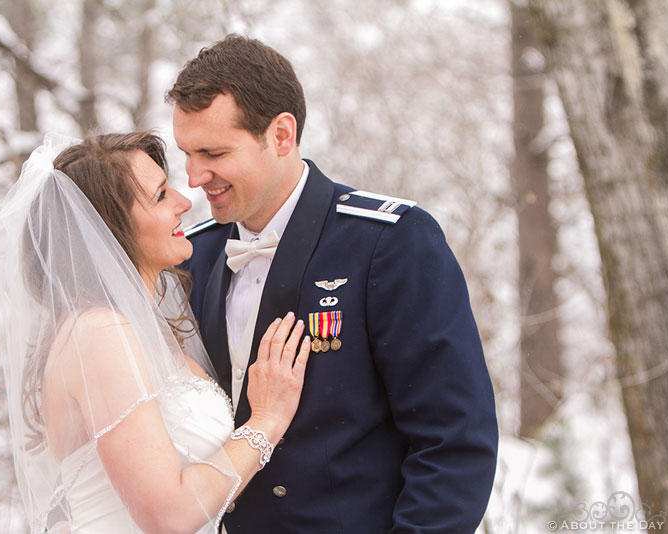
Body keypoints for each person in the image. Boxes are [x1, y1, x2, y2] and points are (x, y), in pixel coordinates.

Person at [168, 35, 499, 533]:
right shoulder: (195, 254)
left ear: (282, 135)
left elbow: (453, 441)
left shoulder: (389, 242)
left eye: (213, 152)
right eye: (187, 154)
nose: (194, 178)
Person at [0, 132, 310, 534]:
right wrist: (265, 422)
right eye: (160, 196)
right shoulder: (98, 332)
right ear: (110, 227)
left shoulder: (142, 327)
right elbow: (168, 517)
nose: (184, 202)